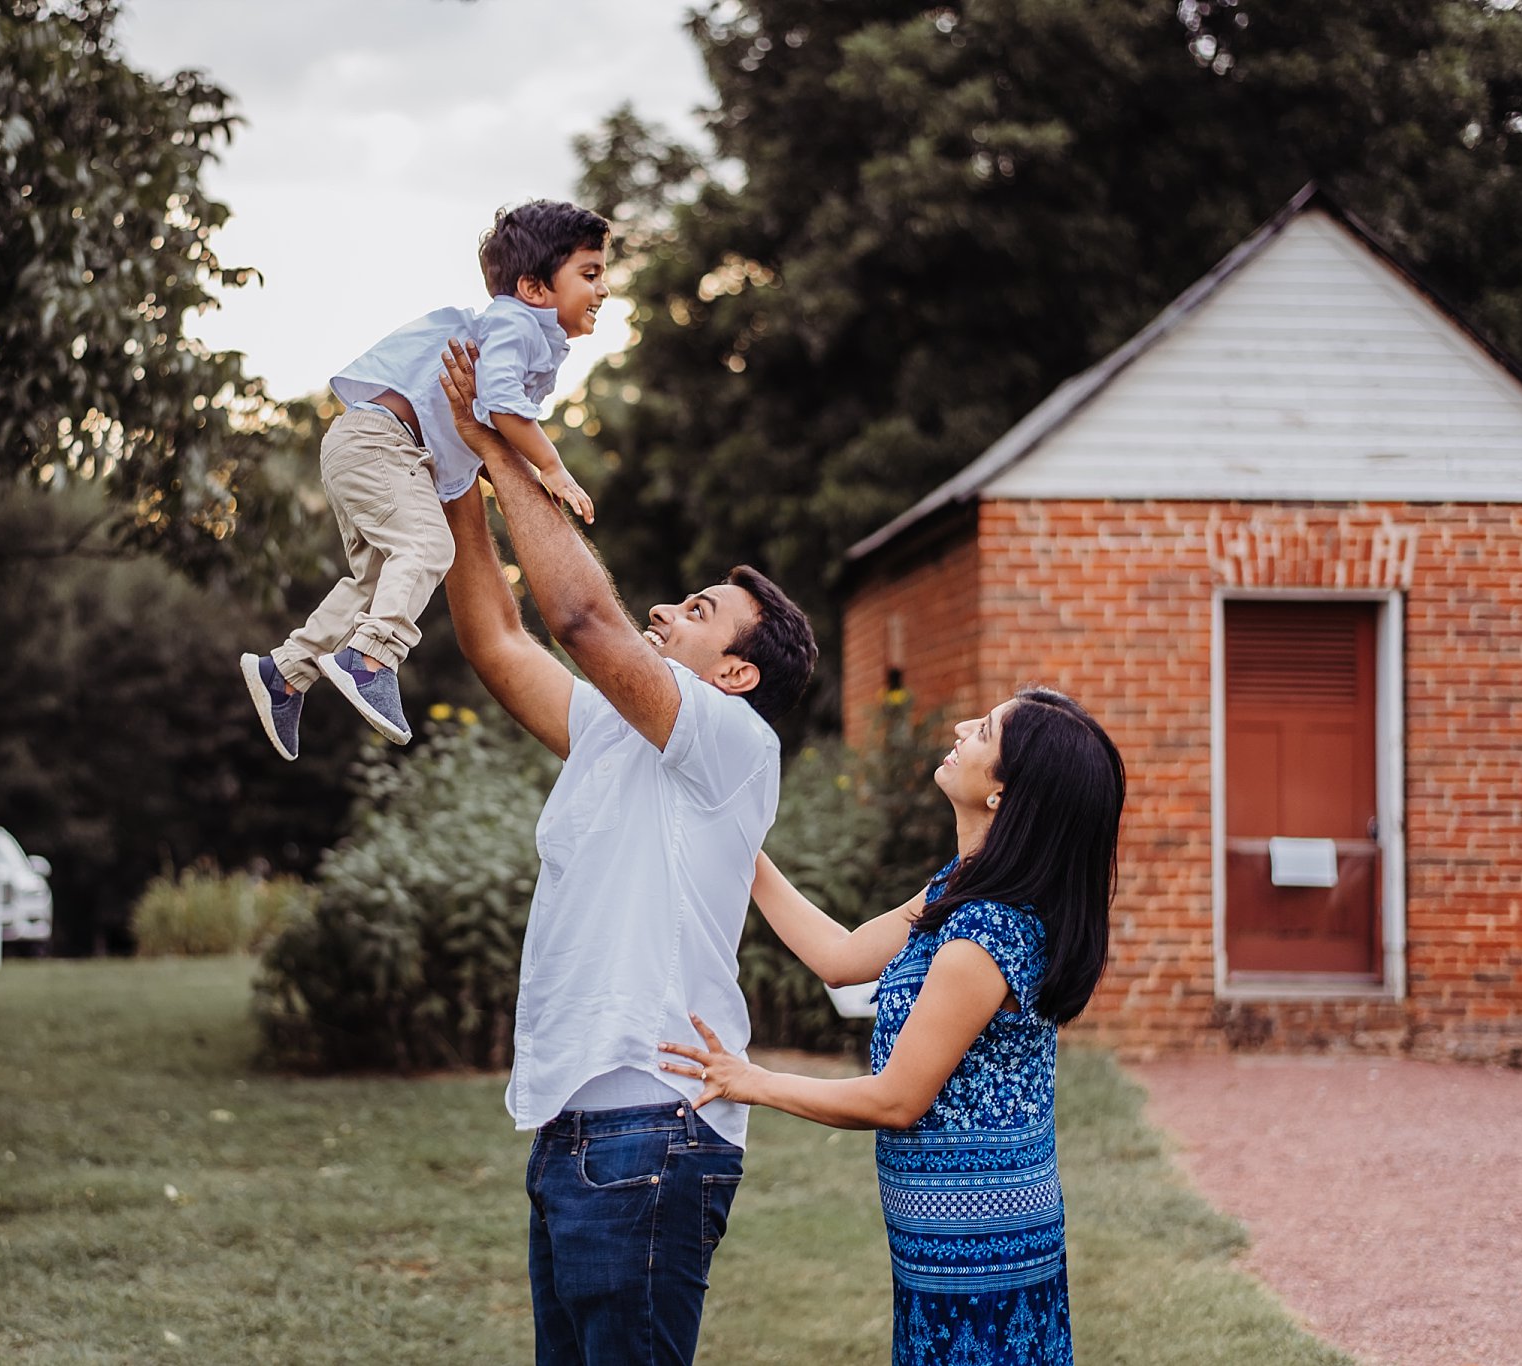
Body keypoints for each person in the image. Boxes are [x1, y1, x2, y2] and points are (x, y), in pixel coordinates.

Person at [432, 338, 818, 1364]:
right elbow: (497, 641)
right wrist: (456, 478)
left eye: (695, 614)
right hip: (576, 1132)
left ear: (734, 675)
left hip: (652, 1131)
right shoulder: (616, 730)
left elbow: (577, 616)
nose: (662, 612)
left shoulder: (732, 743)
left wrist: (504, 445)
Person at [659, 690, 1125, 1366]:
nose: (962, 726)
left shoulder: (984, 934)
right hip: (943, 1234)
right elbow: (841, 958)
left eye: (985, 730)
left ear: (1003, 792)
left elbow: (896, 1100)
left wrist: (752, 1080)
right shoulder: (956, 890)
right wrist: (738, 842)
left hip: (977, 1251)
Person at [239, 200, 607, 755]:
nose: (603, 290)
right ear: (534, 288)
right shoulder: (516, 323)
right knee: (430, 547)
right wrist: (551, 466)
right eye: (591, 274)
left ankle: (286, 672)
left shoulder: (527, 336)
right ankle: (371, 659)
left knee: (374, 582)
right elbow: (503, 407)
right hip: (380, 444)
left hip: (378, 451)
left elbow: (484, 431)